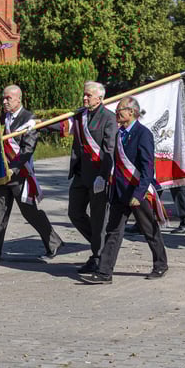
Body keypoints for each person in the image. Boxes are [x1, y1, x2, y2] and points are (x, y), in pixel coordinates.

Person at [80, 97, 169, 284]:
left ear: (132, 112)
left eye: (120, 109)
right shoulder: (120, 134)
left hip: (138, 191)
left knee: (149, 230)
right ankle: (104, 273)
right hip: (120, 192)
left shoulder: (143, 134)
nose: (117, 112)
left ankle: (160, 265)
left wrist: (139, 193)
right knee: (113, 232)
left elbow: (147, 168)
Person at [0, 85, 63, 264]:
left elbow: (27, 148)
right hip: (1, 174)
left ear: (18, 99)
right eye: (3, 98)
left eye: (8, 98)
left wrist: (13, 168)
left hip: (20, 174)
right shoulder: (0, 117)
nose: (4, 102)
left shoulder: (28, 118)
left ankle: (54, 242)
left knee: (30, 213)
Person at [65, 81, 117, 274]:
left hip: (98, 176)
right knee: (74, 212)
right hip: (80, 174)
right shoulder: (79, 116)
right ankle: (100, 245)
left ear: (100, 97)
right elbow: (62, 126)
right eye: (84, 95)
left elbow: (109, 149)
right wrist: (36, 125)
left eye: (88, 95)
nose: (85, 98)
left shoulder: (109, 118)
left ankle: (97, 256)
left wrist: (104, 175)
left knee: (98, 218)